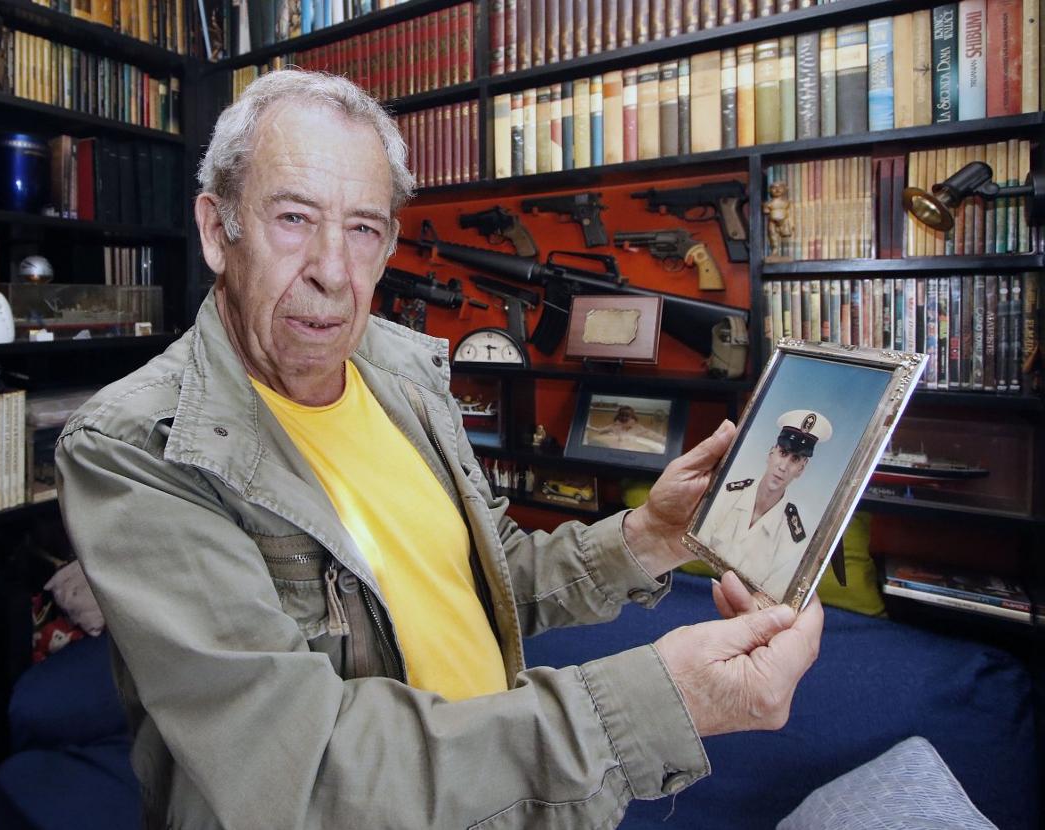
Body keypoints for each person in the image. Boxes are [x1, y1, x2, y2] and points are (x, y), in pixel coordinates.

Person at [55, 70, 823, 829]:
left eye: (362, 228)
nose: (332, 270)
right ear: (217, 230)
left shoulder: (402, 373)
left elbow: (486, 578)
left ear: (388, 244)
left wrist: (648, 537)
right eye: (293, 218)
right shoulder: (137, 448)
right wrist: (668, 701)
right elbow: (308, 773)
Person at [695, 410, 833, 602]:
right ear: (771, 453)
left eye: (794, 460)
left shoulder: (792, 538)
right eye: (783, 453)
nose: (783, 466)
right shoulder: (725, 496)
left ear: (801, 469)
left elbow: (768, 599)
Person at [584, 404, 667, 453]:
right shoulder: (614, 426)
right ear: (618, 415)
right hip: (615, 451)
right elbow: (600, 430)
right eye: (622, 415)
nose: (624, 417)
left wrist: (664, 440)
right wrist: (588, 427)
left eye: (627, 416)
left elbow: (651, 434)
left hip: (631, 452)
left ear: (632, 416)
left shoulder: (637, 427)